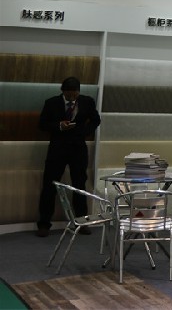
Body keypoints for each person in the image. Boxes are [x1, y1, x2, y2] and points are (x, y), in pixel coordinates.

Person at [36, 76, 101, 237]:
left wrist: (84, 132)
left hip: (78, 148)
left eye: (75, 94)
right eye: (69, 94)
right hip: (57, 148)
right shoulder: (51, 103)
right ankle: (44, 224)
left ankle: (81, 222)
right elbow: (42, 124)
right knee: (50, 185)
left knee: (79, 185)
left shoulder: (87, 101)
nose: (72, 97)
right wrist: (59, 126)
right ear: (63, 91)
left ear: (79, 91)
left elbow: (96, 120)